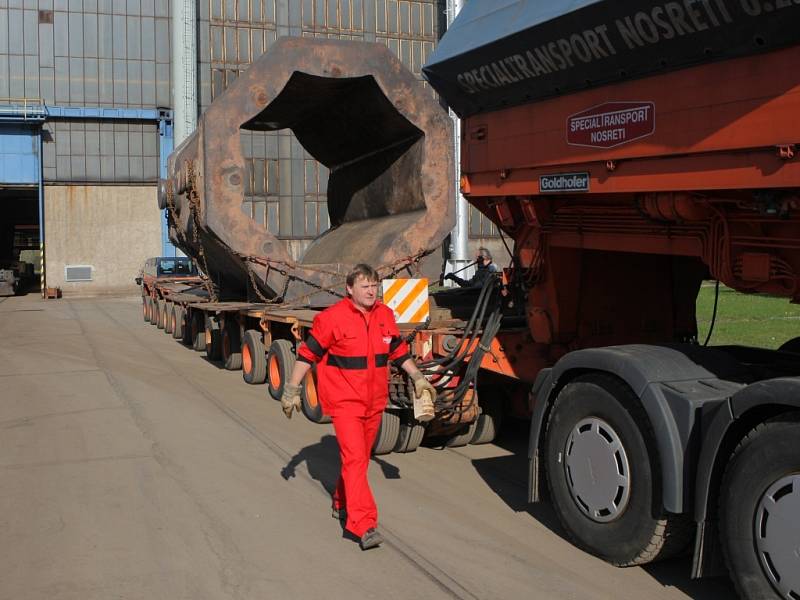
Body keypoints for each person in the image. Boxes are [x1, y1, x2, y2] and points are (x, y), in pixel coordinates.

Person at [280, 263, 436, 550]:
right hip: (345, 403)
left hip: (375, 401)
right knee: (354, 460)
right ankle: (363, 525)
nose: (371, 291)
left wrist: (417, 377)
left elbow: (397, 351)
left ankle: (341, 501)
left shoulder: (384, 315)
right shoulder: (332, 319)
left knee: (360, 460)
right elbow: (308, 354)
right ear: (349, 289)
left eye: (374, 285)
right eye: (364, 286)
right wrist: (292, 388)